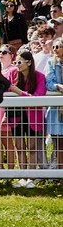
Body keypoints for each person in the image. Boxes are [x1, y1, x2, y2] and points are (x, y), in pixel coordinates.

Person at [8, 50, 46, 187]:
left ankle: (31, 176)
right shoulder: (12, 74)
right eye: (15, 62)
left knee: (32, 146)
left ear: (29, 63)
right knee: (19, 147)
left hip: (33, 115)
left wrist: (19, 92)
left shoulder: (39, 76)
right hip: (16, 115)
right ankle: (22, 177)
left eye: (19, 62)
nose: (17, 65)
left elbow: (38, 97)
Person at [45, 38, 63, 170]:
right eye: (54, 47)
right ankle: (58, 170)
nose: (55, 49)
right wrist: (58, 86)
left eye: (58, 46)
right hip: (56, 108)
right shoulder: (51, 62)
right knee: (57, 142)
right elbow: (49, 83)